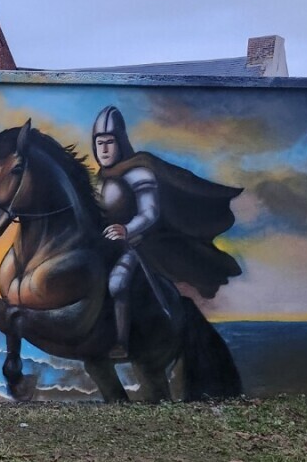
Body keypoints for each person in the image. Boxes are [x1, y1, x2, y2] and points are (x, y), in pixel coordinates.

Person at [91, 105, 243, 358]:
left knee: (117, 283)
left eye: (109, 142)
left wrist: (125, 230)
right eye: (99, 143)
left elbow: (149, 214)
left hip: (137, 246)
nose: (104, 149)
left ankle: (121, 342)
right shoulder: (101, 178)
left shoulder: (138, 172)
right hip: (106, 245)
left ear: (120, 142)